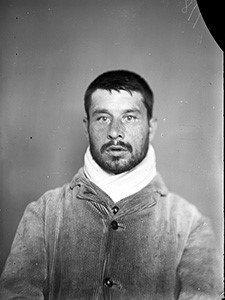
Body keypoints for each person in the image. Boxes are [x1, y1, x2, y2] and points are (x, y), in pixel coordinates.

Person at [0, 70, 222, 299]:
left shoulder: (190, 224)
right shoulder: (44, 212)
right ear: (87, 127)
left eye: (129, 117)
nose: (115, 132)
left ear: (151, 127)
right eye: (103, 118)